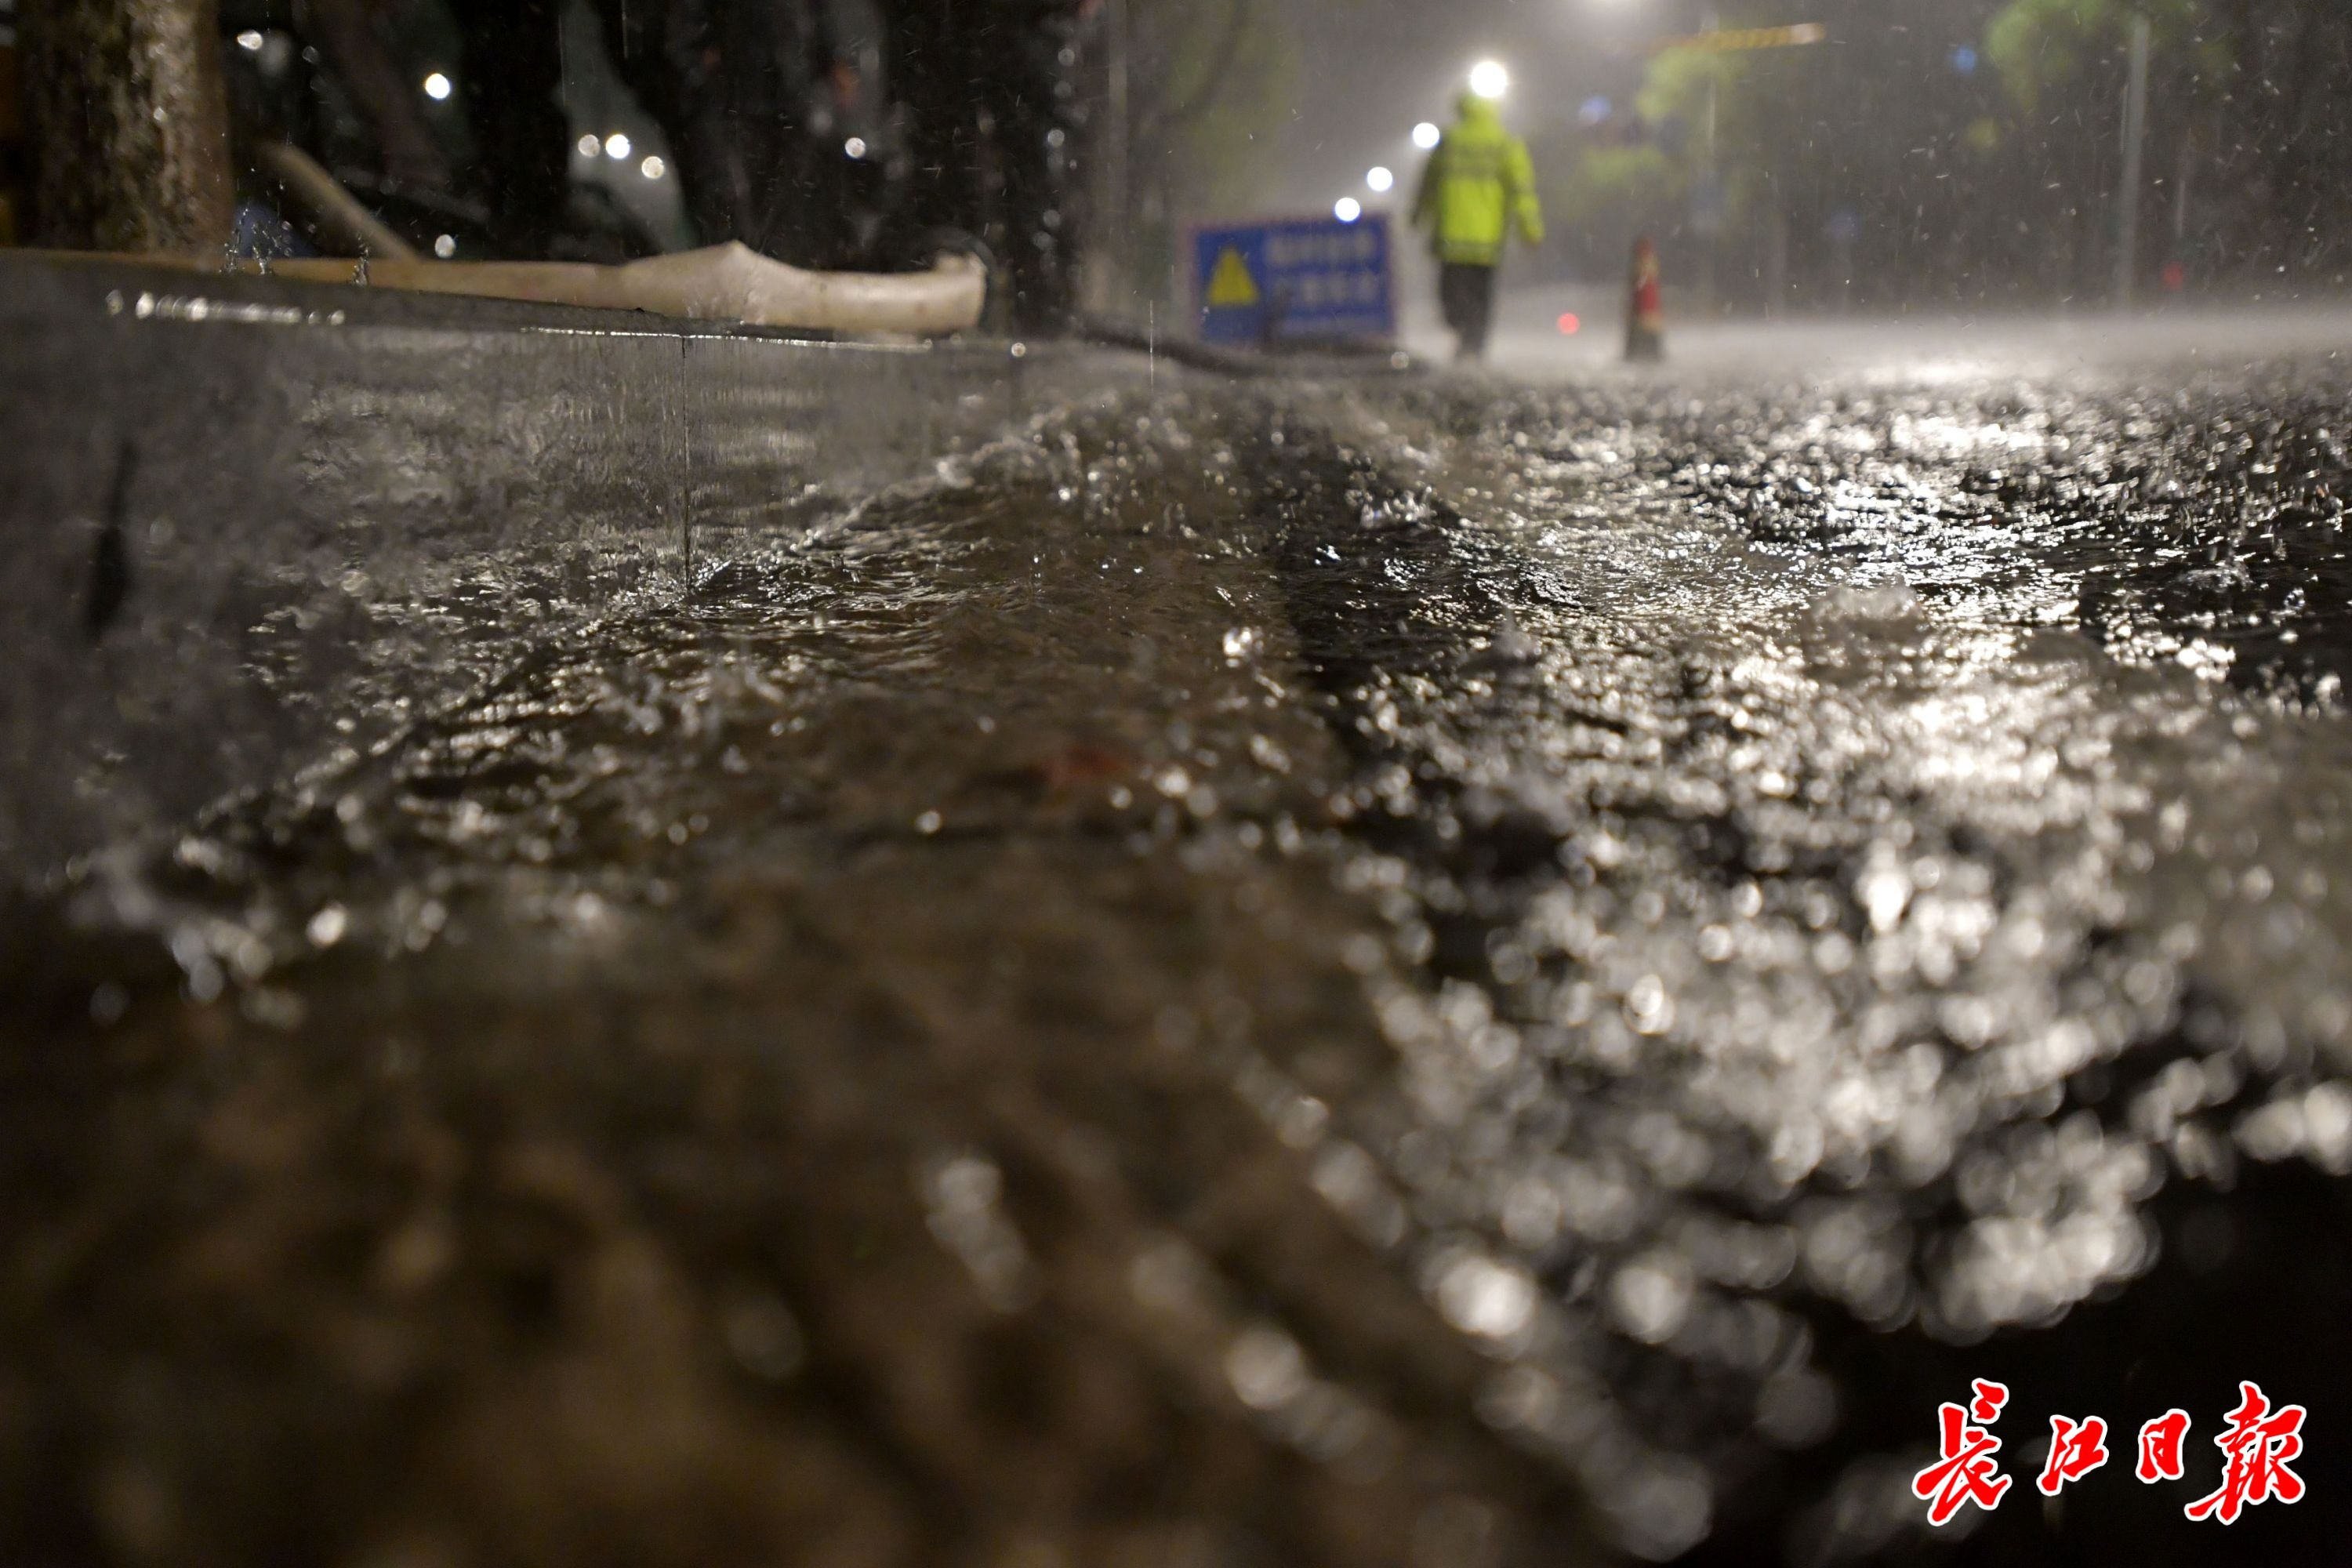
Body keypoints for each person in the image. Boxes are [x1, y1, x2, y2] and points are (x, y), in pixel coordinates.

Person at [1411, 89, 1543, 363]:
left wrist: (1417, 216)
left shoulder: (1449, 142)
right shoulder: (1506, 144)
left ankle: (1461, 327)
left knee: (1452, 293)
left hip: (1451, 236)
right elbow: (1521, 191)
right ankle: (1474, 343)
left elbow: (1428, 185)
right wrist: (1530, 229)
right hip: (1487, 238)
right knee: (1481, 294)